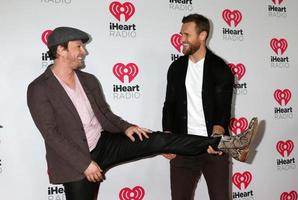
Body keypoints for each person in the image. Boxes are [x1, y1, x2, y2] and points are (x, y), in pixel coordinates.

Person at [27, 26, 257, 200]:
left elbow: (105, 115)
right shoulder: (39, 88)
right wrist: (85, 164)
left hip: (104, 143)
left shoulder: (88, 80)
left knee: (157, 139)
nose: (83, 51)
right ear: (61, 50)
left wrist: (126, 128)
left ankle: (227, 144)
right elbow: (52, 135)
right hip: (75, 161)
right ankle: (226, 144)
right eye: (78, 47)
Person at [162, 14, 237, 200]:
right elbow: (169, 105)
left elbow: (223, 109)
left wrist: (217, 137)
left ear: (202, 36)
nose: (182, 39)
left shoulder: (220, 68)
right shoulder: (176, 68)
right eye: (181, 34)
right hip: (182, 146)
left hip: (212, 148)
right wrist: (167, 137)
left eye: (187, 35)